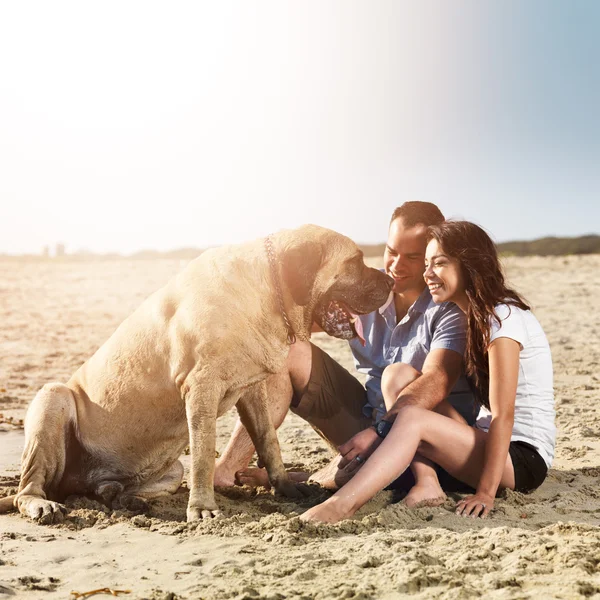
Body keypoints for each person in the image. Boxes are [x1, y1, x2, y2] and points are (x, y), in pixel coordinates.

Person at [214, 202, 474, 506]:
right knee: (287, 347)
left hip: (421, 441)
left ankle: (314, 477)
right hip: (363, 419)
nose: (396, 266)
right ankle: (226, 470)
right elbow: (294, 318)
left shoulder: (451, 307)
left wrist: (381, 431)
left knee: (351, 466)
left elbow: (436, 381)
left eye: (413, 257)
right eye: (392, 251)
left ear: (433, 254)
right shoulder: (369, 285)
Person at [300, 220, 555, 523]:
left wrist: (486, 494)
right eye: (427, 264)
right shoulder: (474, 317)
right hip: (487, 442)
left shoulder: (502, 318)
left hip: (522, 459)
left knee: (411, 418)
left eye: (440, 263)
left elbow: (504, 415)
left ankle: (342, 505)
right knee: (398, 376)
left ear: (471, 264)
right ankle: (426, 482)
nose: (428, 273)